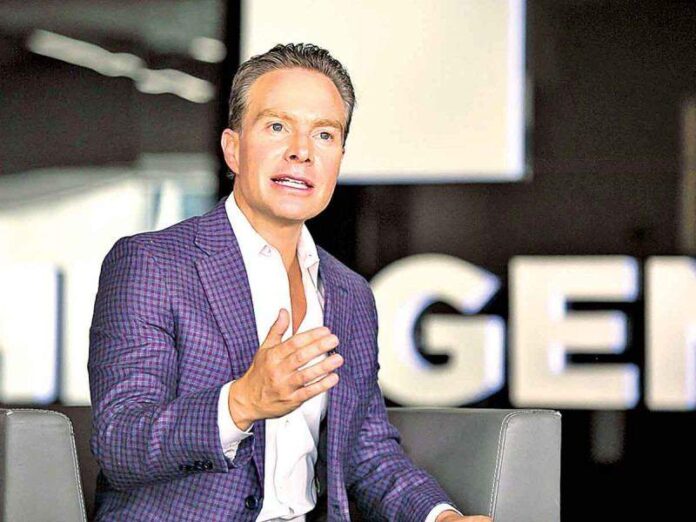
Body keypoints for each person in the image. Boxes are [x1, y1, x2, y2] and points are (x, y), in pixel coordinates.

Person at [88, 43, 492, 522]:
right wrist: (241, 402)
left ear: (339, 157)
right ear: (233, 148)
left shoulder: (349, 293)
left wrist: (442, 517)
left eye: (324, 134)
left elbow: (367, 451)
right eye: (277, 126)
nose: (302, 151)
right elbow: (121, 441)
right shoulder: (153, 263)